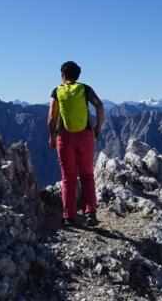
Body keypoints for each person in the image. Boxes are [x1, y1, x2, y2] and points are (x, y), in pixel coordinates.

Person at [48, 61, 105, 227]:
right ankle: (90, 213)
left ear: (62, 75)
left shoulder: (57, 91)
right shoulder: (84, 88)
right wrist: (98, 127)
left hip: (65, 138)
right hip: (86, 136)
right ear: (78, 75)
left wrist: (52, 136)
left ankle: (68, 217)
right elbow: (100, 106)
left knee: (68, 178)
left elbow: (52, 117)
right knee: (87, 176)